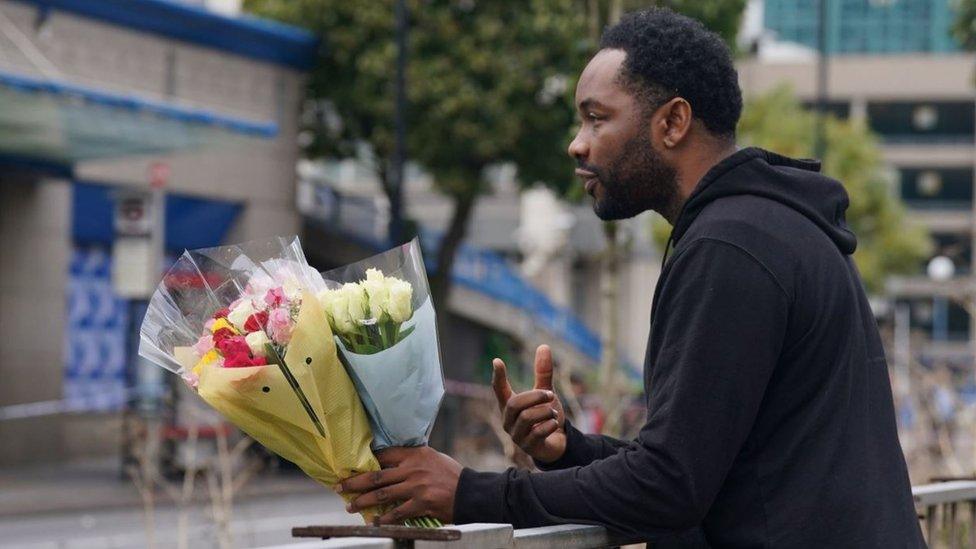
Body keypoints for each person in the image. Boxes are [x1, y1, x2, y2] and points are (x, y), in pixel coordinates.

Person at [338, 8, 925, 547]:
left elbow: (670, 486)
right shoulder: (763, 229)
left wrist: (470, 492)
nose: (576, 144)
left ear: (672, 122)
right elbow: (707, 467)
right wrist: (571, 450)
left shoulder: (730, 246)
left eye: (597, 119)